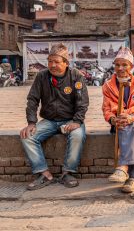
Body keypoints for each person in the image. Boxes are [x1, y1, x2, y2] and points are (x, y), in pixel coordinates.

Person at [20, 43, 89, 190]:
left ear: (65, 63)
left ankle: (68, 173)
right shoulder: (42, 76)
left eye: (57, 62)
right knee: (27, 136)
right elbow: (32, 100)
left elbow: (82, 102)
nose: (52, 65)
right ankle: (44, 174)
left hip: (71, 119)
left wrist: (77, 121)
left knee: (77, 135)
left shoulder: (76, 76)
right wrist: (31, 122)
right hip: (50, 120)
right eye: (50, 61)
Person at [102, 47, 134, 193]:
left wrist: (132, 117)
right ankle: (132, 178)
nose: (120, 68)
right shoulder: (107, 86)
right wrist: (112, 119)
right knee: (129, 128)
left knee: (131, 125)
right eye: (117, 65)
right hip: (118, 122)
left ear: (131, 67)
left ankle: (122, 167)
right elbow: (106, 109)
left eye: (124, 65)